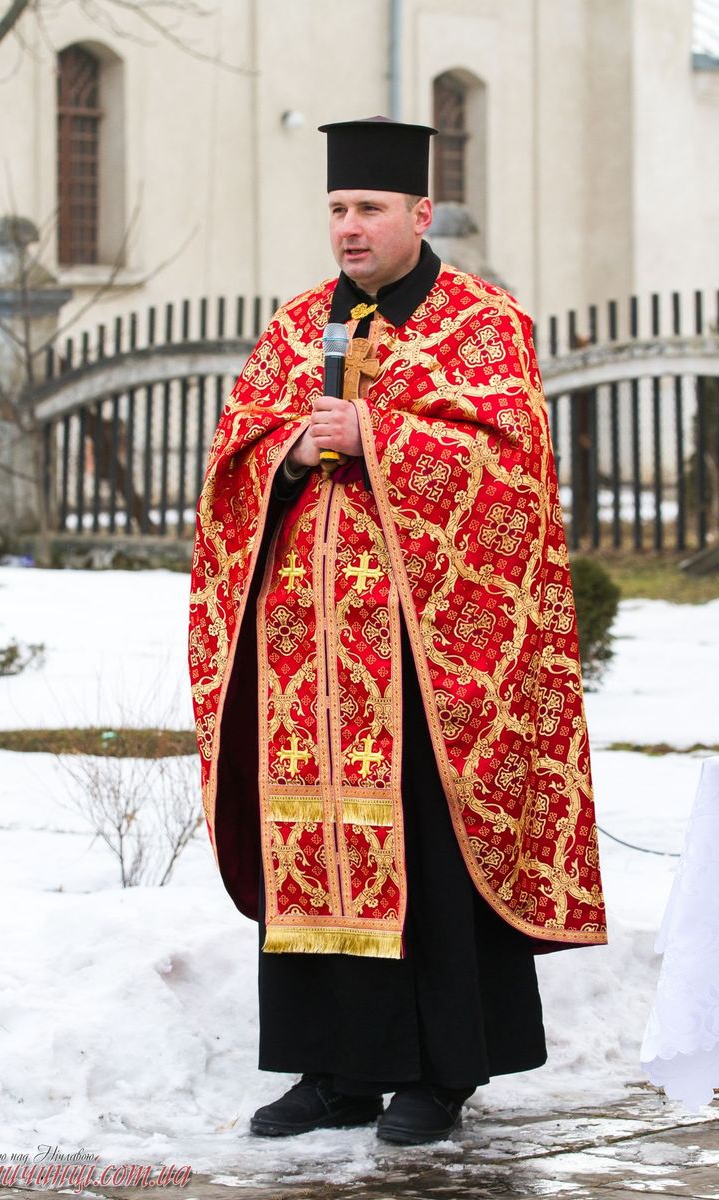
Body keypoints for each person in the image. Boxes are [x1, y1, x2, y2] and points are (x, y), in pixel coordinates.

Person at [188, 116, 607, 1146]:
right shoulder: (295, 326)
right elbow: (234, 456)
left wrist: (378, 433)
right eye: (337, 208)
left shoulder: (482, 325)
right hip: (305, 651)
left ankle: (438, 1074)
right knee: (312, 841)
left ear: (419, 214)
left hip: (427, 654)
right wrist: (289, 452)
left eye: (368, 208)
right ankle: (331, 1071)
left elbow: (510, 471)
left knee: (423, 845)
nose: (348, 227)